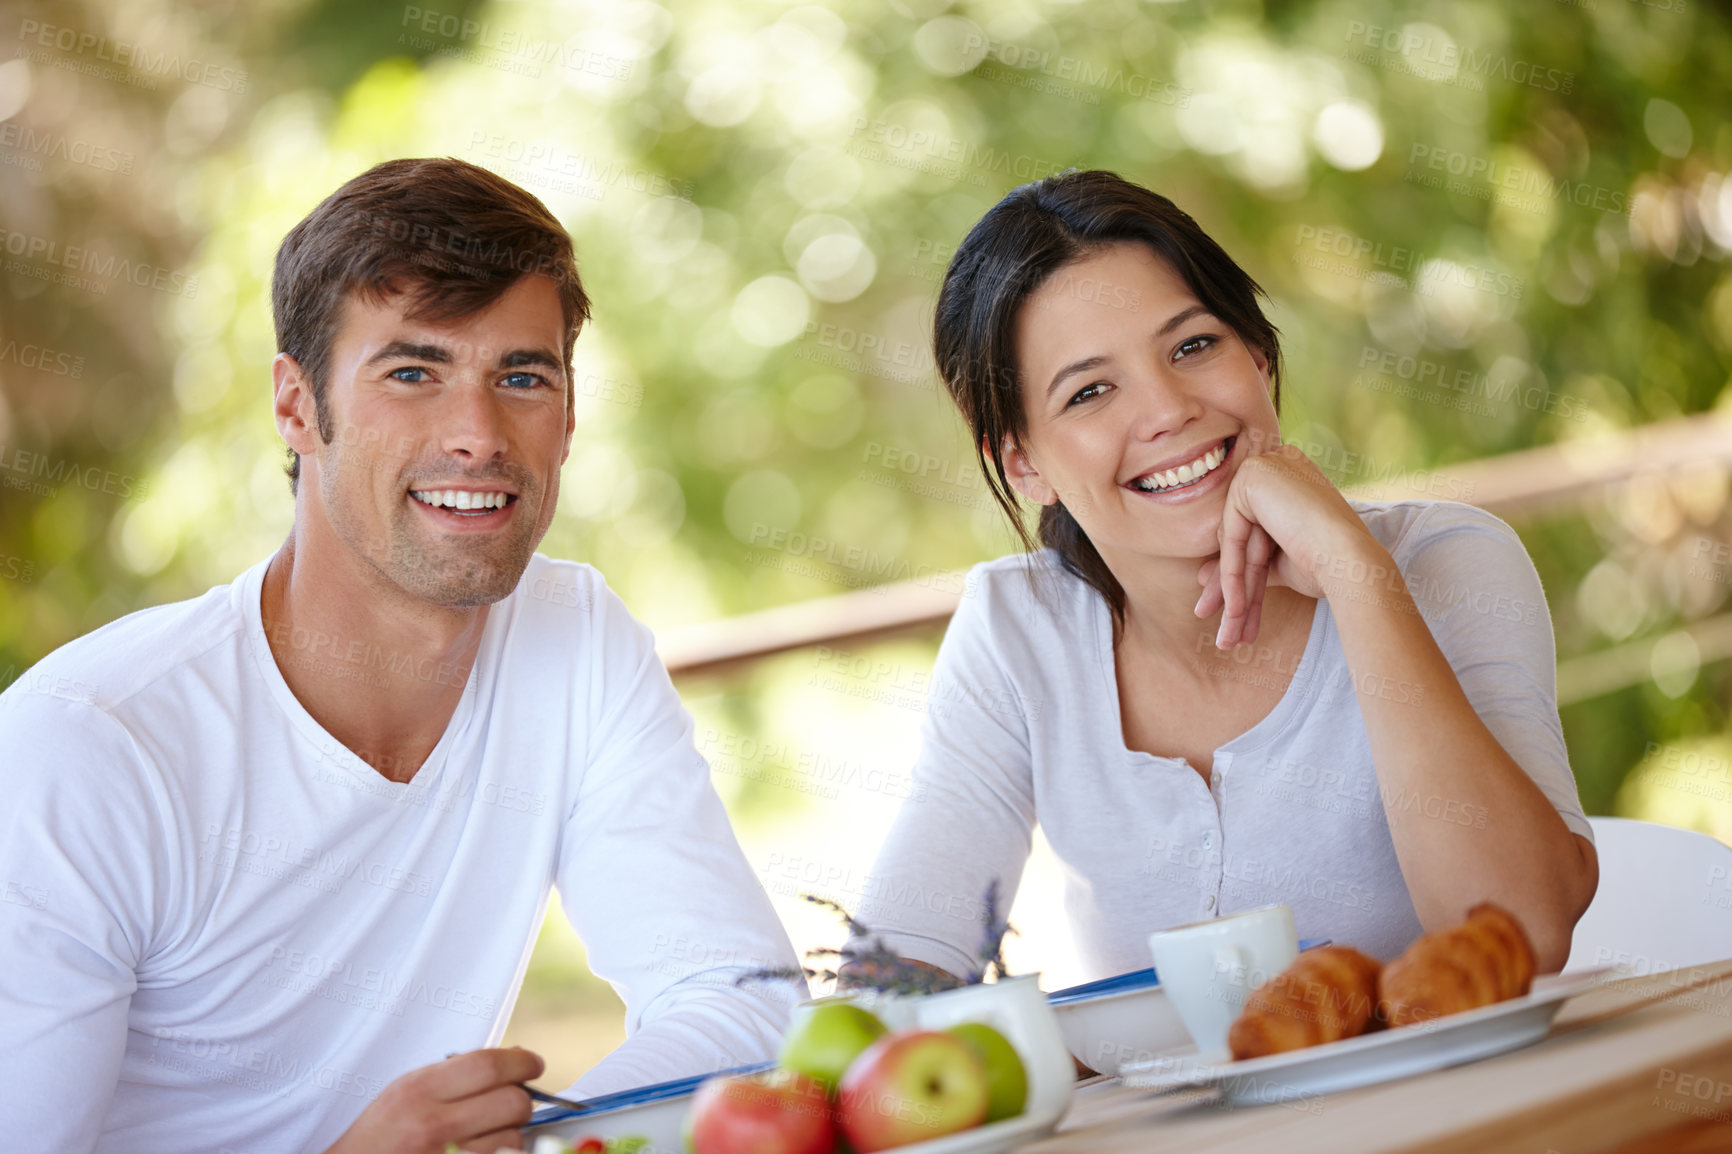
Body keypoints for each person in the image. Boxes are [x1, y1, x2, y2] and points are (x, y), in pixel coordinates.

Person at [0, 158, 803, 1154]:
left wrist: (554, 1146)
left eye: (521, 376)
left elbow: (737, 999)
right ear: (297, 406)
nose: (476, 435)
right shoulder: (90, 745)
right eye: (412, 372)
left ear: (569, 413)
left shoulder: (574, 635)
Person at [852, 170, 1598, 994]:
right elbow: (891, 978)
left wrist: (1358, 577)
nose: (1168, 410)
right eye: (1090, 391)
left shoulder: (1446, 560)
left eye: (1193, 346)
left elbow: (1523, 929)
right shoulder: (1018, 631)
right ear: (1024, 462)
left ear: (1258, 352)